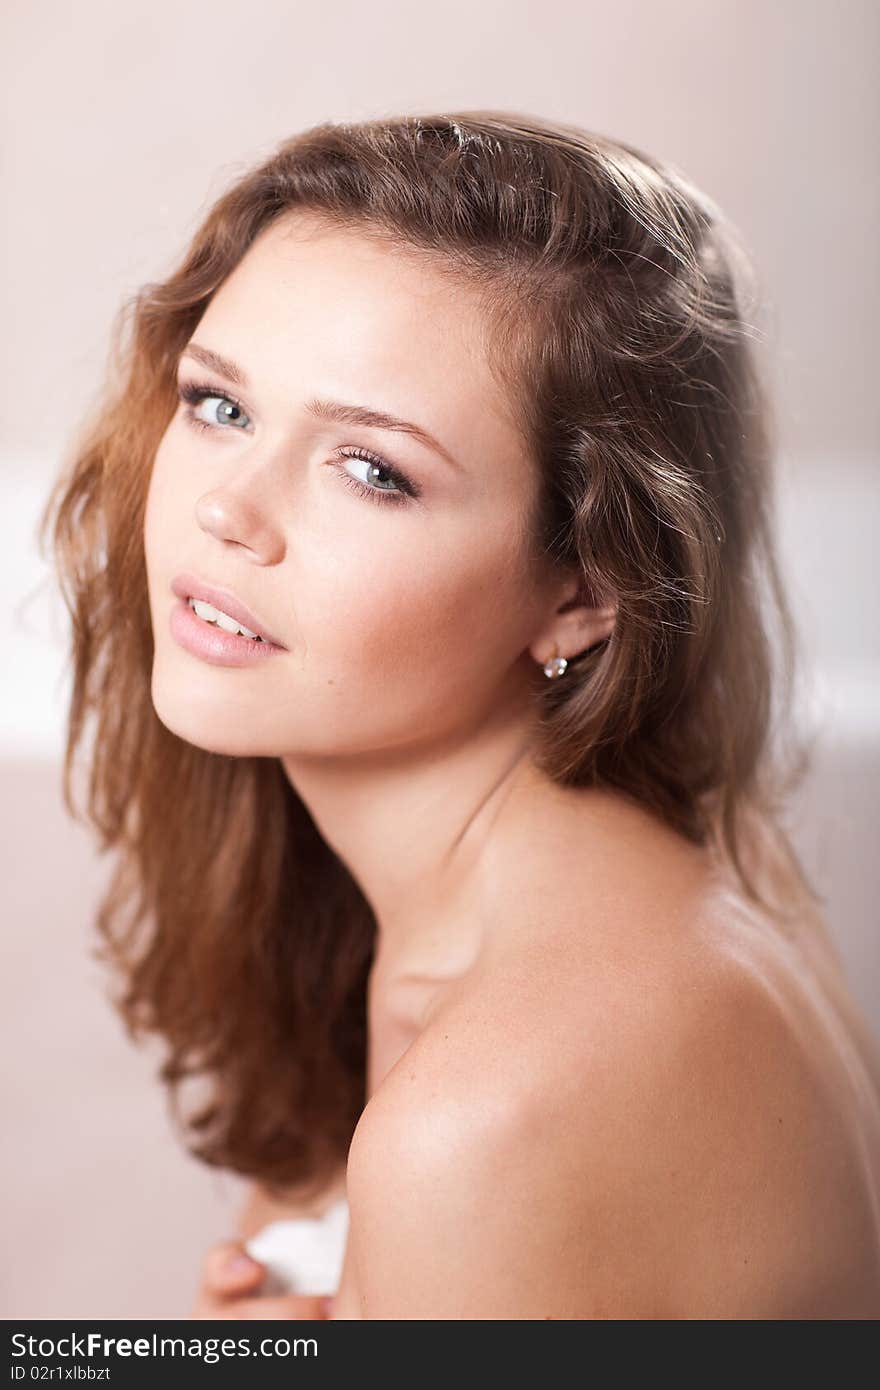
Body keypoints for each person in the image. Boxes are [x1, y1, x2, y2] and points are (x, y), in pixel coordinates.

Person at [39, 109, 880, 1319]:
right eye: (222, 405)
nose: (231, 510)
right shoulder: (685, 861)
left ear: (586, 589)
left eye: (373, 469)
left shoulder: (490, 1109)